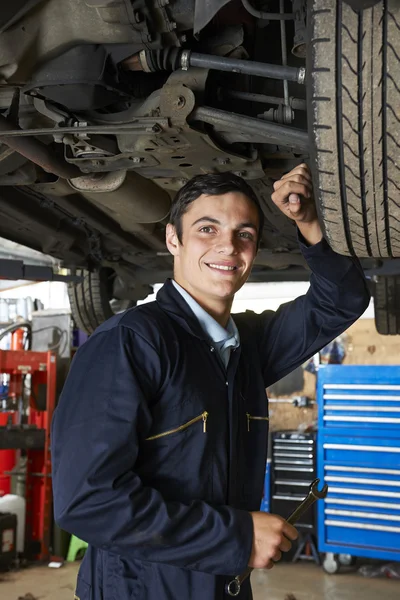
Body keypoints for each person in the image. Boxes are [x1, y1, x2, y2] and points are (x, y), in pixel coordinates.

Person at [51, 164, 370, 600]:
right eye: (207, 228)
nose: (228, 247)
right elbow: (87, 501)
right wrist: (236, 537)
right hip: (140, 590)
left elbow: (343, 300)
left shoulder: (247, 348)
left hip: (225, 585)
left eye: (245, 234)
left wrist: (310, 221)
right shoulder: (130, 343)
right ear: (172, 239)